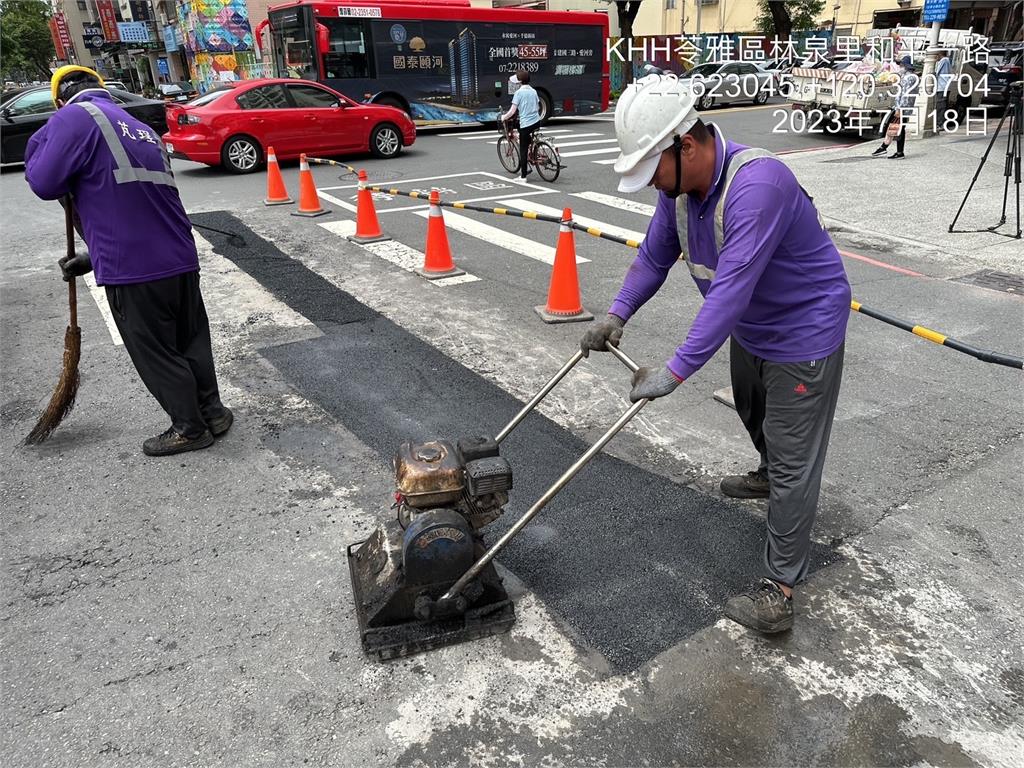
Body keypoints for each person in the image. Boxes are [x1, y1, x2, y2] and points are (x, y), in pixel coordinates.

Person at [579, 74, 851, 634]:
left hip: (803, 334)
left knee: (795, 454)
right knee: (754, 414)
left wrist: (675, 372)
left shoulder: (758, 186)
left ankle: (779, 588)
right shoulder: (677, 193)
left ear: (687, 144)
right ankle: (770, 474)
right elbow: (655, 259)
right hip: (751, 329)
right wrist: (616, 314)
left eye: (653, 166)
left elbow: (729, 290)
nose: (652, 180)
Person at [25, 65, 233, 457]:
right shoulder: (136, 125)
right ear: (101, 90)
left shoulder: (72, 117)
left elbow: (43, 182)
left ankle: (189, 427)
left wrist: (47, 133)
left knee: (154, 349)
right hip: (179, 256)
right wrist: (92, 257)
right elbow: (130, 199)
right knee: (191, 340)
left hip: (133, 267)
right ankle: (214, 413)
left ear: (59, 100)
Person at [871, 55, 919, 159]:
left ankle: (896, 152)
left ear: (906, 66)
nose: (899, 67)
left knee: (898, 128)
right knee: (894, 127)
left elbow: (906, 95)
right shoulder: (908, 77)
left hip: (902, 108)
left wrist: (899, 109)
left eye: (901, 65)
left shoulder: (909, 78)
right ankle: (885, 148)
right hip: (902, 108)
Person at [500, 69, 541, 180]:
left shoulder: (518, 93)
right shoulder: (533, 91)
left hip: (526, 124)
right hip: (537, 121)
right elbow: (537, 107)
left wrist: (504, 117)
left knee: (523, 149)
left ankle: (523, 177)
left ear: (519, 82)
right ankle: (531, 147)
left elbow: (512, 111)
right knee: (524, 134)